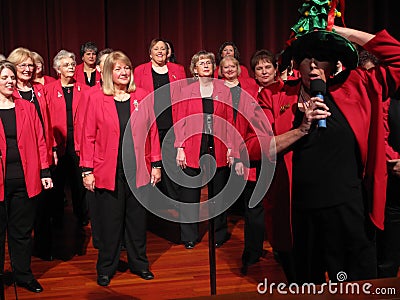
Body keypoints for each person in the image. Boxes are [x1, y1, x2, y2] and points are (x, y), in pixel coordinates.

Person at [259, 0, 400, 283]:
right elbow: (255, 148)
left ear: (334, 62)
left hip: (348, 214)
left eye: (321, 57)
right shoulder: (275, 96)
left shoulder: (358, 85)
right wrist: (300, 129)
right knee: (306, 289)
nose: (313, 66)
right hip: (299, 218)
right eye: (306, 58)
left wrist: (342, 34)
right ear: (296, 63)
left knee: (356, 289)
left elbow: (397, 56)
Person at [80, 51, 161, 286]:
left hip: (138, 169)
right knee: (110, 224)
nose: (123, 72)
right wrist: (87, 170)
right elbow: (87, 136)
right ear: (108, 73)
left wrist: (155, 164)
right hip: (108, 170)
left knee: (137, 222)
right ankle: (106, 267)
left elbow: (152, 132)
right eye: (118, 69)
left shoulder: (142, 96)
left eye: (126, 68)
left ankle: (139, 264)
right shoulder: (96, 98)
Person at [0, 60, 53, 293]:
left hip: (24, 179)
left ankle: (23, 274)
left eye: (12, 78)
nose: (10, 81)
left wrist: (44, 171)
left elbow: (41, 141)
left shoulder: (27, 107)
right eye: (4, 78)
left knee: (21, 231)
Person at [175, 50, 233, 249]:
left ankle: (219, 234)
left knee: (218, 194)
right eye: (201, 63)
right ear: (195, 69)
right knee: (190, 193)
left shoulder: (223, 90)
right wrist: (180, 147)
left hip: (218, 144)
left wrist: (231, 147)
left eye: (209, 62)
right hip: (192, 145)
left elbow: (229, 120)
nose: (206, 65)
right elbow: (179, 120)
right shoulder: (185, 91)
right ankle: (189, 236)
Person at [219, 55, 266, 273]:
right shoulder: (249, 95)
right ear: (253, 73)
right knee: (253, 207)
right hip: (253, 159)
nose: (264, 71)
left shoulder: (287, 92)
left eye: (268, 67)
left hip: (282, 159)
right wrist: (237, 154)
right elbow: (240, 127)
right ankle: (252, 252)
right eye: (259, 68)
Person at [7, 47, 55, 261]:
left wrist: (52, 149)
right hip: (20, 158)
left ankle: (43, 247)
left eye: (30, 65)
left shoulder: (39, 89)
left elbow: (47, 123)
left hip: (41, 152)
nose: (28, 69)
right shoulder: (8, 92)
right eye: (22, 65)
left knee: (44, 205)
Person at [134, 39, 186, 225]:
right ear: (150, 53)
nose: (160, 51)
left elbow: (183, 98)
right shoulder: (140, 71)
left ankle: (175, 213)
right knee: (151, 167)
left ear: (168, 52)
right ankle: (151, 212)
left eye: (163, 49)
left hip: (172, 125)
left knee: (172, 170)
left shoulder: (178, 70)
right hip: (150, 127)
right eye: (156, 48)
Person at [44, 50, 89, 229]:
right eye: (66, 65)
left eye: (72, 64)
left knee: (79, 183)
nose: (71, 67)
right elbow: (46, 120)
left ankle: (82, 216)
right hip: (58, 144)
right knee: (58, 183)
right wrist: (52, 146)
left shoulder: (85, 90)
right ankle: (57, 216)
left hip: (78, 143)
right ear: (58, 69)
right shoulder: (48, 90)